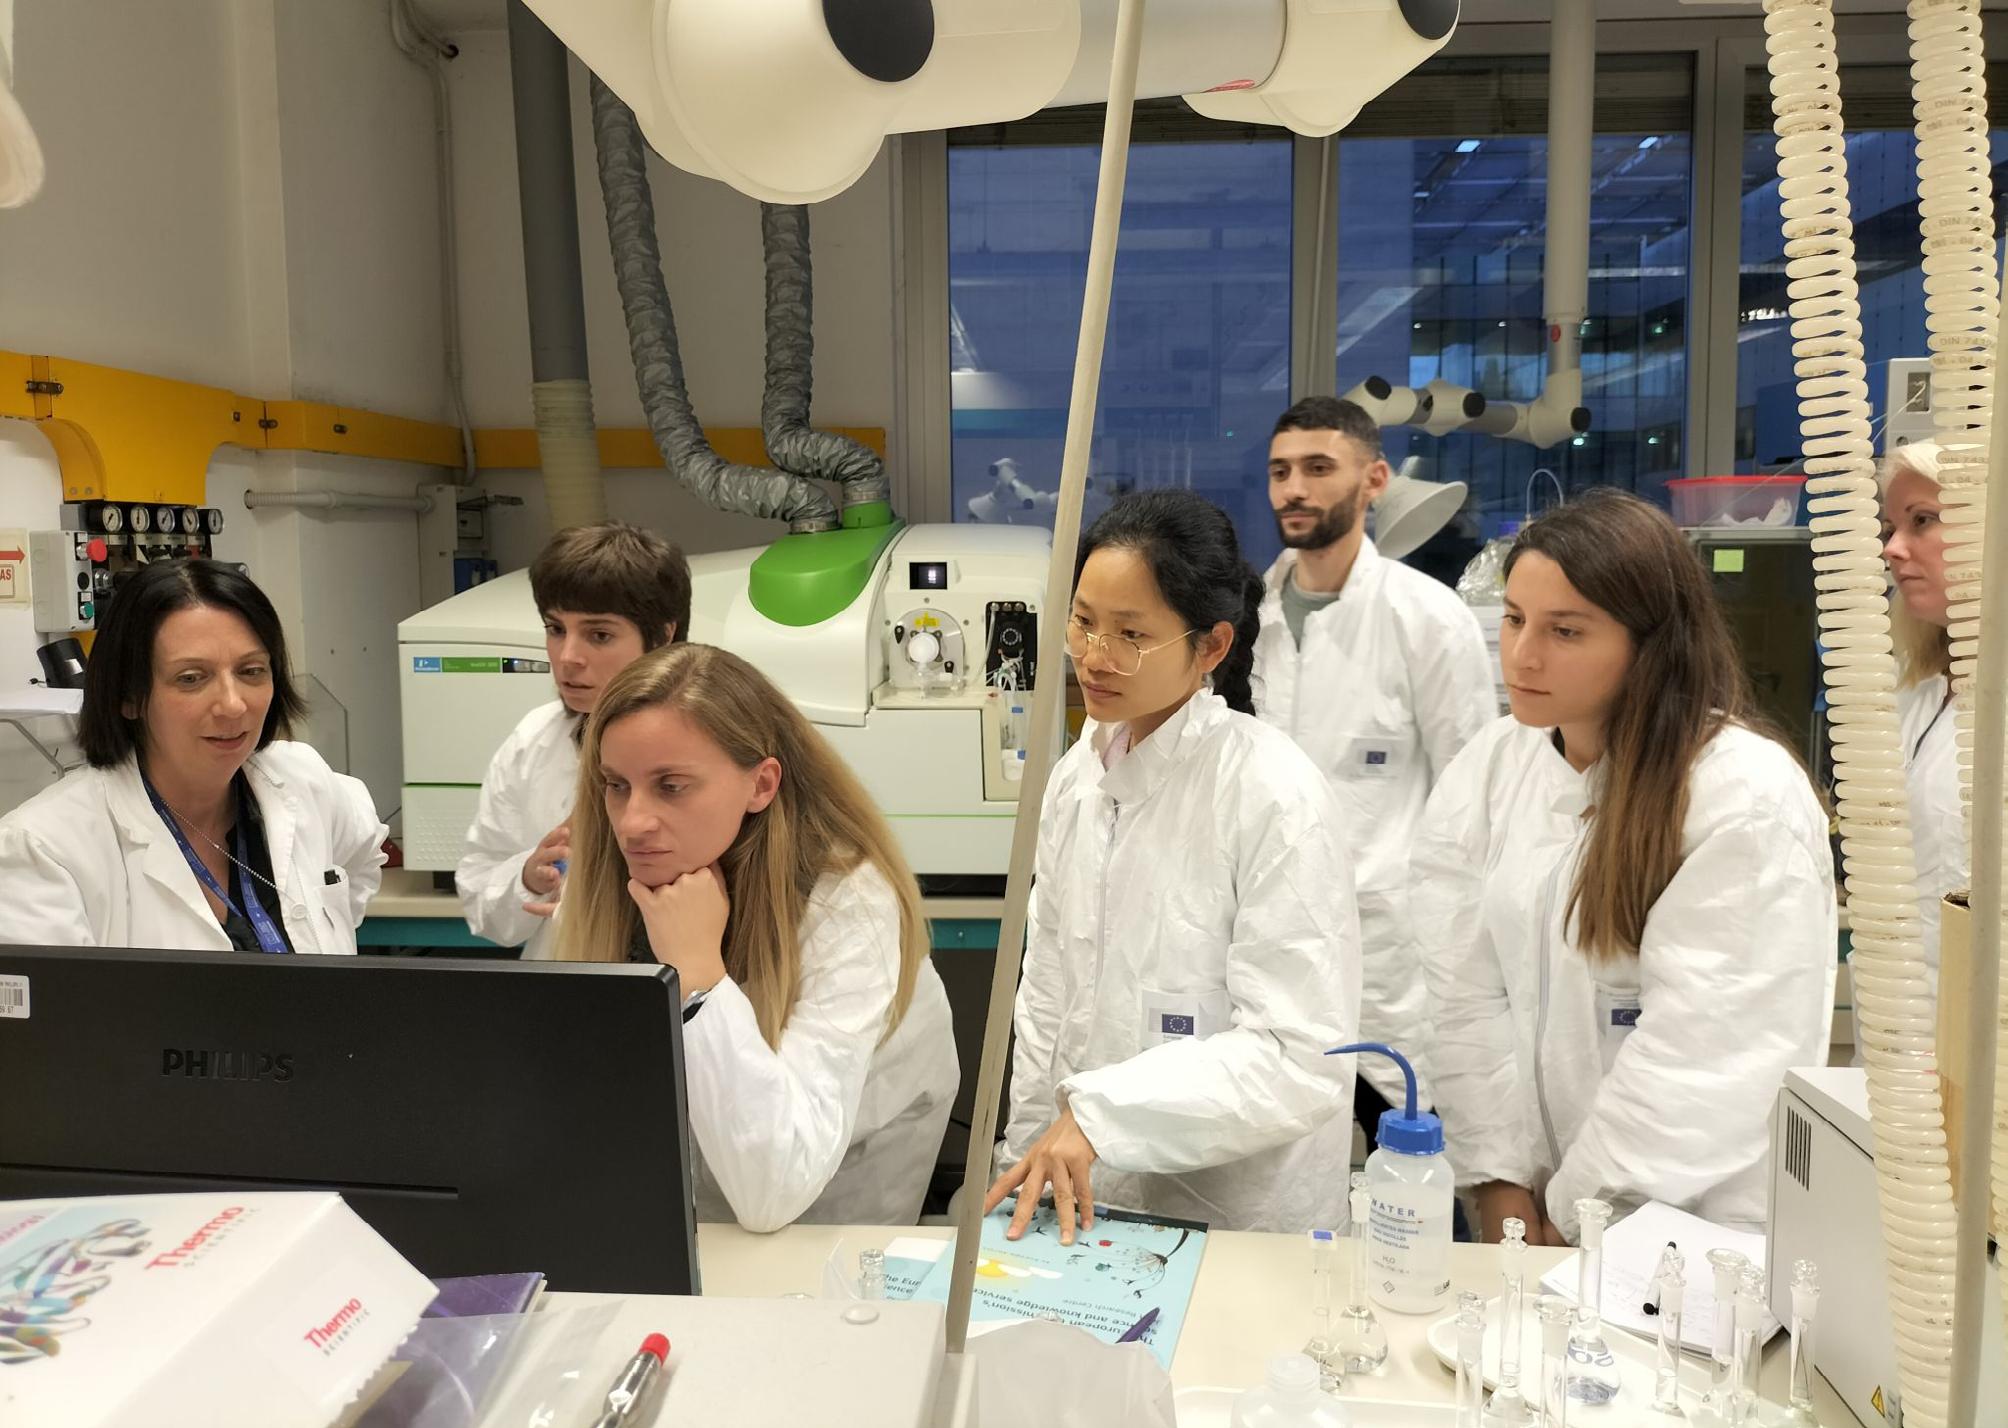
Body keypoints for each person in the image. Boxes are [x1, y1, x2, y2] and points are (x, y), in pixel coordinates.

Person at [1413, 490, 1835, 1245]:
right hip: (1530, 1221)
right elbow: (1464, 997)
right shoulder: (1493, 766)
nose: (1523, 655)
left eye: (1565, 631)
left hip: (1686, 1234)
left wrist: (1574, 1215)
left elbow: (1704, 1061)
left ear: (1651, 644)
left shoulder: (1740, 795)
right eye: (1514, 619)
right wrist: (1499, 1187)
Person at [990, 489, 1362, 1243]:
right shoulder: (1079, 777)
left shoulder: (1272, 794)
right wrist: (1021, 1157)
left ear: (1212, 647)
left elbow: (1297, 1059)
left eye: (1131, 634)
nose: (1094, 656)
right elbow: (1049, 1002)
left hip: (1240, 1224)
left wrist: (1100, 1117)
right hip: (1088, 1205)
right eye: (1083, 622)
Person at [556, 642, 957, 1231]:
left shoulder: (846, 899)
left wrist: (697, 974)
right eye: (617, 785)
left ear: (761, 785)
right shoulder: (612, 871)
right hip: (696, 1180)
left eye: (671, 786)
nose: (633, 822)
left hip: (841, 1175)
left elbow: (775, 1187)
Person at [1253, 395, 1495, 1149]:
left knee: (1412, 1162)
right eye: (1280, 472)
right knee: (1277, 1161)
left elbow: (1473, 799)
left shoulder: (1428, 618)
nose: (1295, 489)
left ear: (1375, 480)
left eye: (1319, 468)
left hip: (1390, 960)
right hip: (1268, 950)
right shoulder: (1248, 618)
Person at [0, 558, 386, 952]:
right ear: (129, 697)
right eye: (191, 679)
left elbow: (360, 867)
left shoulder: (303, 778)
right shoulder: (44, 850)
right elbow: (54, 992)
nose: (233, 704)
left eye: (251, 671)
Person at [457, 523, 690, 958]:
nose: (567, 658)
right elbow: (481, 904)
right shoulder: (535, 739)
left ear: (662, 635)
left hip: (690, 985)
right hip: (564, 981)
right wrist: (528, 877)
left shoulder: (714, 743)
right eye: (556, 629)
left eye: (599, 635)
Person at [1879, 440, 1964, 994]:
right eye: (1890, 528)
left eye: (1922, 520)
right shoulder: (1915, 690)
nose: (1892, 548)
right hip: (1899, 1014)